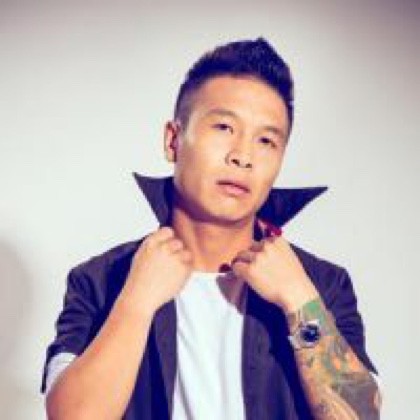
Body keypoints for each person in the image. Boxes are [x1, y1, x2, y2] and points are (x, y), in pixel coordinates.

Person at [42, 38, 381, 419]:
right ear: (173, 140)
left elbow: (362, 416)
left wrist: (299, 301)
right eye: (224, 127)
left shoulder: (321, 284)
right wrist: (136, 303)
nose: (243, 156)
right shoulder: (100, 280)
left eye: (266, 140)